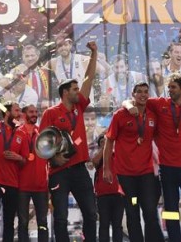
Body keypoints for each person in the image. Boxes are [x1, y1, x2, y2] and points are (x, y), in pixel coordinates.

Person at [124, 73, 181, 242]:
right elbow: (136, 100)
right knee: (170, 210)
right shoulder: (159, 104)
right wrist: (128, 104)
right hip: (167, 169)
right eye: (169, 87)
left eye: (173, 87)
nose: (169, 90)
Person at [38, 41, 98, 242]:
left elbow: (89, 79)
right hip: (59, 171)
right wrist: (54, 158)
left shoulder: (78, 107)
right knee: (61, 217)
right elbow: (41, 143)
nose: (78, 92)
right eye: (74, 89)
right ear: (65, 92)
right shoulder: (51, 113)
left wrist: (94, 53)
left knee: (91, 212)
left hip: (79, 169)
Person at [103, 81, 164, 242]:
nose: (143, 94)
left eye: (146, 91)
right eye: (139, 92)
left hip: (147, 173)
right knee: (132, 211)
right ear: (133, 95)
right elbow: (109, 142)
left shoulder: (152, 116)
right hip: (126, 174)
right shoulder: (120, 115)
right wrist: (106, 168)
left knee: (150, 211)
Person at [0, 101, 28, 242]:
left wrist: (18, 157)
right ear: (7, 113)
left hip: (12, 183)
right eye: (16, 110)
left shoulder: (22, 133)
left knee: (9, 222)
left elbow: (25, 160)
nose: (20, 114)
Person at [17, 104, 49, 242]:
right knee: (23, 222)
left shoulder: (42, 133)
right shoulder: (17, 132)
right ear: (24, 115)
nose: (34, 114)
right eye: (31, 112)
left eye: (36, 112)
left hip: (41, 185)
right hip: (21, 185)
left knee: (42, 222)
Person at [93, 135, 123, 242]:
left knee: (117, 225)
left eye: (107, 141)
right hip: (103, 195)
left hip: (118, 194)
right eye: (101, 141)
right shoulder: (98, 157)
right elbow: (95, 162)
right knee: (104, 224)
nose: (105, 142)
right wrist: (104, 147)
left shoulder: (117, 154)